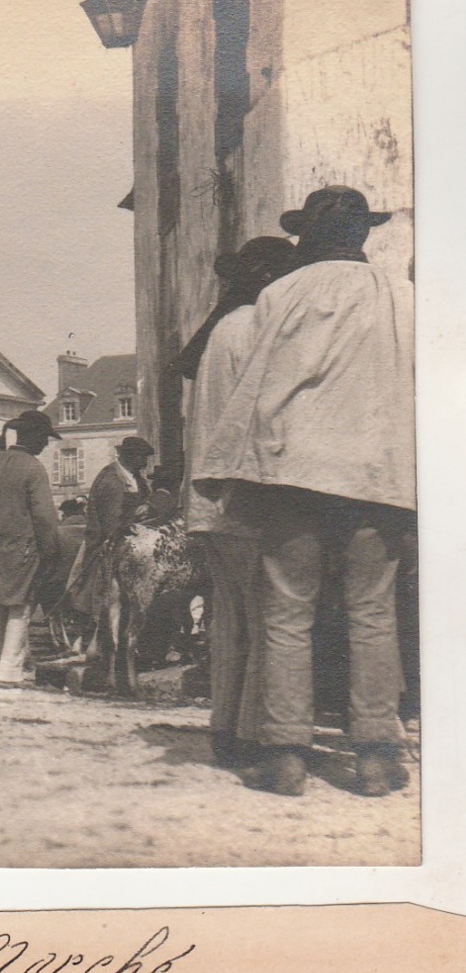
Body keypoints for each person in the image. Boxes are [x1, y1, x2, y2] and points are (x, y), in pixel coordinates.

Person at [194, 186, 414, 798]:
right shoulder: (403, 296)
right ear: (363, 234)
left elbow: (256, 384)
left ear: (307, 237)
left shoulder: (280, 294)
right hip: (377, 476)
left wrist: (226, 466)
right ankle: (373, 757)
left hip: (293, 475)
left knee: (287, 615)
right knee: (373, 613)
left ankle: (286, 756)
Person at [174, 236, 299, 768]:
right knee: (266, 620)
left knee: (229, 621)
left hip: (207, 501)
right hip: (245, 495)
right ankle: (251, 735)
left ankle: (224, 729)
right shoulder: (259, 329)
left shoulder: (221, 331)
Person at [0, 410, 61, 686]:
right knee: (20, 608)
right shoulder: (33, 468)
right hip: (25, 549)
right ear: (30, 437)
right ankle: (9, 670)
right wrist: (51, 551)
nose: (45, 444)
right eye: (43, 438)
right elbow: (44, 516)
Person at [66, 435, 156, 619]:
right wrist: (134, 518)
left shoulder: (134, 479)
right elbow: (112, 523)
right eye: (142, 457)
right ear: (132, 457)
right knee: (109, 594)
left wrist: (148, 507)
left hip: (134, 541)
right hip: (108, 544)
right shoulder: (112, 481)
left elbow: (146, 499)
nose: (145, 462)